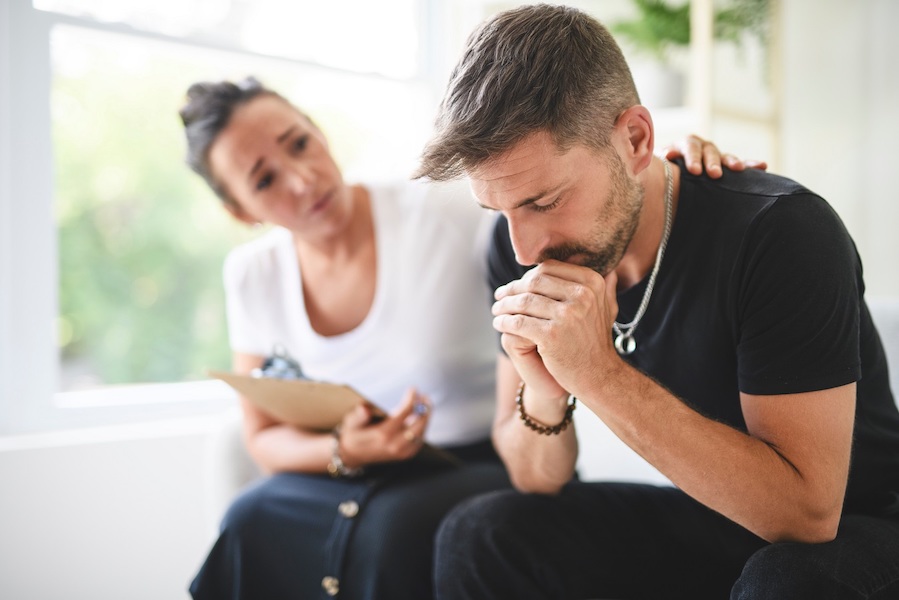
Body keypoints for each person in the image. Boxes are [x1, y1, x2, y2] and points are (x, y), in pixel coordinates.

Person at [180, 77, 753, 599]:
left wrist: (667, 169)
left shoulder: (441, 210)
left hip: (481, 460)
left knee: (393, 530)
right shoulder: (253, 276)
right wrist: (343, 451)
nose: (302, 179)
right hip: (354, 466)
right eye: (265, 179)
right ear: (239, 209)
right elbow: (260, 437)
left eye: (298, 143)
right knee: (249, 515)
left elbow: (570, 186)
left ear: (317, 130)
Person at [414, 5, 899, 600]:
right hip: (709, 521)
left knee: (788, 581)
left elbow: (806, 517)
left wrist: (598, 374)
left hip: (857, 536)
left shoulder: (780, 232)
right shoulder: (516, 244)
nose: (524, 247)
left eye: (544, 202)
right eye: (501, 211)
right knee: (482, 532)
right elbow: (533, 478)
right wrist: (544, 387)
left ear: (636, 139)